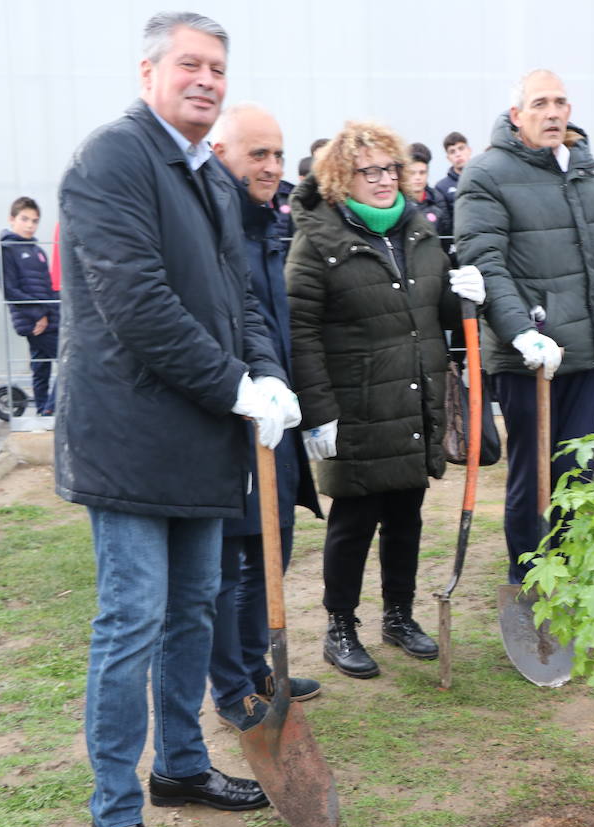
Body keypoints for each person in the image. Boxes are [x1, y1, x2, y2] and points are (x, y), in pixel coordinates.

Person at [56, 12, 299, 827]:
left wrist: (267, 376)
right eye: (190, 64)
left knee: (196, 604)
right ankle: (115, 810)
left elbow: (239, 298)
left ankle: (184, 766)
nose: (206, 79)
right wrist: (237, 386)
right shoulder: (113, 160)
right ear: (149, 70)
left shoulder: (206, 175)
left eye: (217, 68)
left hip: (201, 434)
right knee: (132, 621)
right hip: (129, 437)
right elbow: (138, 303)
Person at [290, 121, 482, 677]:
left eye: (389, 168)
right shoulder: (318, 242)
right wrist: (318, 412)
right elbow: (301, 331)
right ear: (339, 179)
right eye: (367, 171)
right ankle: (339, 626)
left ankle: (398, 615)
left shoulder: (416, 230)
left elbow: (438, 315)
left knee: (407, 514)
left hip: (413, 400)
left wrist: (466, 297)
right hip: (355, 407)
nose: (382, 180)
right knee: (353, 521)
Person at [454, 68, 594, 585]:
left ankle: (572, 570)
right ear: (517, 115)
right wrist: (519, 333)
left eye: (560, 102)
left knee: (579, 472)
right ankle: (528, 576)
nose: (552, 112)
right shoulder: (486, 173)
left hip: (582, 352)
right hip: (528, 353)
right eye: (539, 104)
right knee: (534, 476)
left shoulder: (584, 169)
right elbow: (486, 260)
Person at [207, 102, 322, 728]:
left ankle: (256, 668)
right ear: (222, 153)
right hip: (231, 417)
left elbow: (271, 323)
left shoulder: (265, 223)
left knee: (270, 547)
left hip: (271, 411)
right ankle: (230, 689)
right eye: (259, 154)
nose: (273, 166)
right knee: (232, 561)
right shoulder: (218, 223)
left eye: (279, 154)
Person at [0, 196, 59, 415]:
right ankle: (51, 409)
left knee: (41, 368)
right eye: (25, 219)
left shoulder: (37, 251)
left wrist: (54, 312)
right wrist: (38, 315)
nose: (30, 225)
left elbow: (47, 287)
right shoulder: (6, 250)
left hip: (49, 318)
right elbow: (10, 290)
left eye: (35, 221)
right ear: (11, 219)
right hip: (35, 321)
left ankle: (42, 410)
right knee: (70, 361)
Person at [405, 141, 452, 237]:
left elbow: (446, 234)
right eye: (412, 173)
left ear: (428, 173)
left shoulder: (437, 199)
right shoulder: (398, 201)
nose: (418, 177)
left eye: (422, 172)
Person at [435, 130, 471, 204]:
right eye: (452, 152)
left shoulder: (482, 178)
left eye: (461, 148)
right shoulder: (441, 187)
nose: (458, 154)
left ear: (469, 150)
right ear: (448, 158)